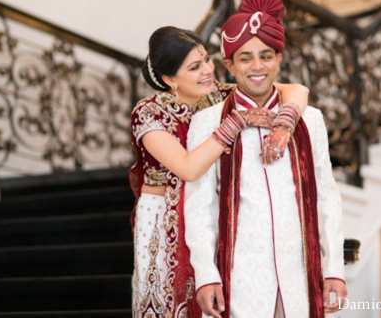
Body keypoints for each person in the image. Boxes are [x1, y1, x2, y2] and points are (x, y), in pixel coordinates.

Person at [184, 0, 347, 318]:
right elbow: (200, 204)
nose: (257, 67)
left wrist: (334, 269)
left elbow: (327, 196)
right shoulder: (208, 122)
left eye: (266, 56)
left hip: (300, 275)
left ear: (279, 59)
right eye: (245, 58)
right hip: (240, 277)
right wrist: (205, 274)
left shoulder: (308, 119)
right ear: (229, 65)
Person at [129, 26, 309, 318]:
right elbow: (188, 168)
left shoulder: (218, 97)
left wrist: (285, 122)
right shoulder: (148, 113)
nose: (207, 71)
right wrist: (234, 123)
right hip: (163, 218)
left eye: (207, 60)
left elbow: (297, 90)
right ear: (169, 79)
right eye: (195, 67)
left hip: (208, 210)